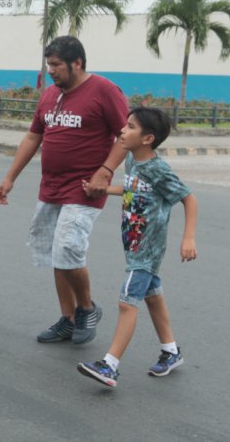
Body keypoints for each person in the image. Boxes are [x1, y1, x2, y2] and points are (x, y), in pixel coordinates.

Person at [0, 36, 128, 344]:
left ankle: (87, 309)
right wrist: (10, 177)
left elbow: (125, 136)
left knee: (68, 248)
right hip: (51, 186)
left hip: (85, 188)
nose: (50, 70)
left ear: (76, 63)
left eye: (56, 65)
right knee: (55, 253)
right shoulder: (50, 94)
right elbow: (33, 137)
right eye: (48, 64)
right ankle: (67, 318)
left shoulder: (104, 90)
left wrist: (105, 171)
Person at [77, 107, 198, 388]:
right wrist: (103, 190)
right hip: (133, 242)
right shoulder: (133, 160)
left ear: (147, 138)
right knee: (152, 296)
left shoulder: (158, 169)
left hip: (147, 248)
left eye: (130, 127)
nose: (122, 130)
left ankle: (109, 365)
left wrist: (188, 238)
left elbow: (189, 199)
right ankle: (171, 351)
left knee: (127, 302)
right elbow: (133, 187)